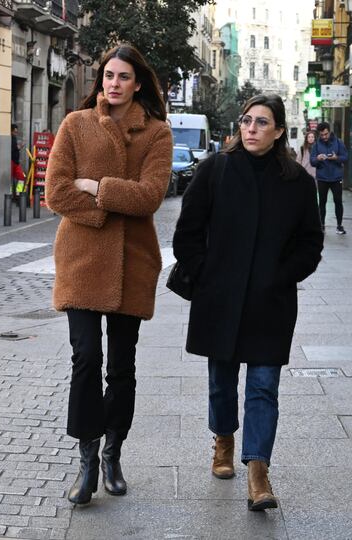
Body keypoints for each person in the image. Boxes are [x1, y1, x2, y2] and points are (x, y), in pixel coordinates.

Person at [172, 94, 323, 511]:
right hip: (219, 299)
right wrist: (206, 273)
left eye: (262, 122)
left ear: (278, 131)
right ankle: (222, 439)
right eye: (247, 121)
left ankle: (259, 470)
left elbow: (310, 244)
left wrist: (282, 275)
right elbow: (187, 231)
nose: (251, 128)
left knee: (262, 386)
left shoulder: (297, 181)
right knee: (222, 381)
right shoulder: (215, 170)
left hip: (269, 302)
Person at [45, 43, 173, 505]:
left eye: (123, 77)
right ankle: (86, 459)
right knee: (85, 361)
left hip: (132, 262)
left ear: (138, 82)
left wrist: (96, 186)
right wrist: (108, 208)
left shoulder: (156, 133)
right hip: (81, 259)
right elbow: (56, 193)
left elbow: (149, 198)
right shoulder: (76, 124)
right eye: (108, 76)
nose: (113, 84)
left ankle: (113, 454)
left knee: (122, 367)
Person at [310, 121, 348, 234]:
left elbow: (345, 157)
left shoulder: (338, 142)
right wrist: (318, 158)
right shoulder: (316, 145)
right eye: (322, 135)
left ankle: (339, 225)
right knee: (322, 202)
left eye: (326, 134)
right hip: (322, 178)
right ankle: (322, 225)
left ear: (329, 131)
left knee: (338, 201)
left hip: (336, 178)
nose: (324, 137)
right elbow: (312, 161)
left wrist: (336, 158)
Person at [11, 124, 25, 201]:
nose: (16, 133)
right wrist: (21, 146)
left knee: (21, 177)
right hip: (12, 161)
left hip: (16, 162)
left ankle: (18, 193)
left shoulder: (14, 138)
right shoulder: (11, 138)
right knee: (10, 179)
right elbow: (14, 149)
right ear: (11, 131)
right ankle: (10, 195)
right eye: (15, 131)